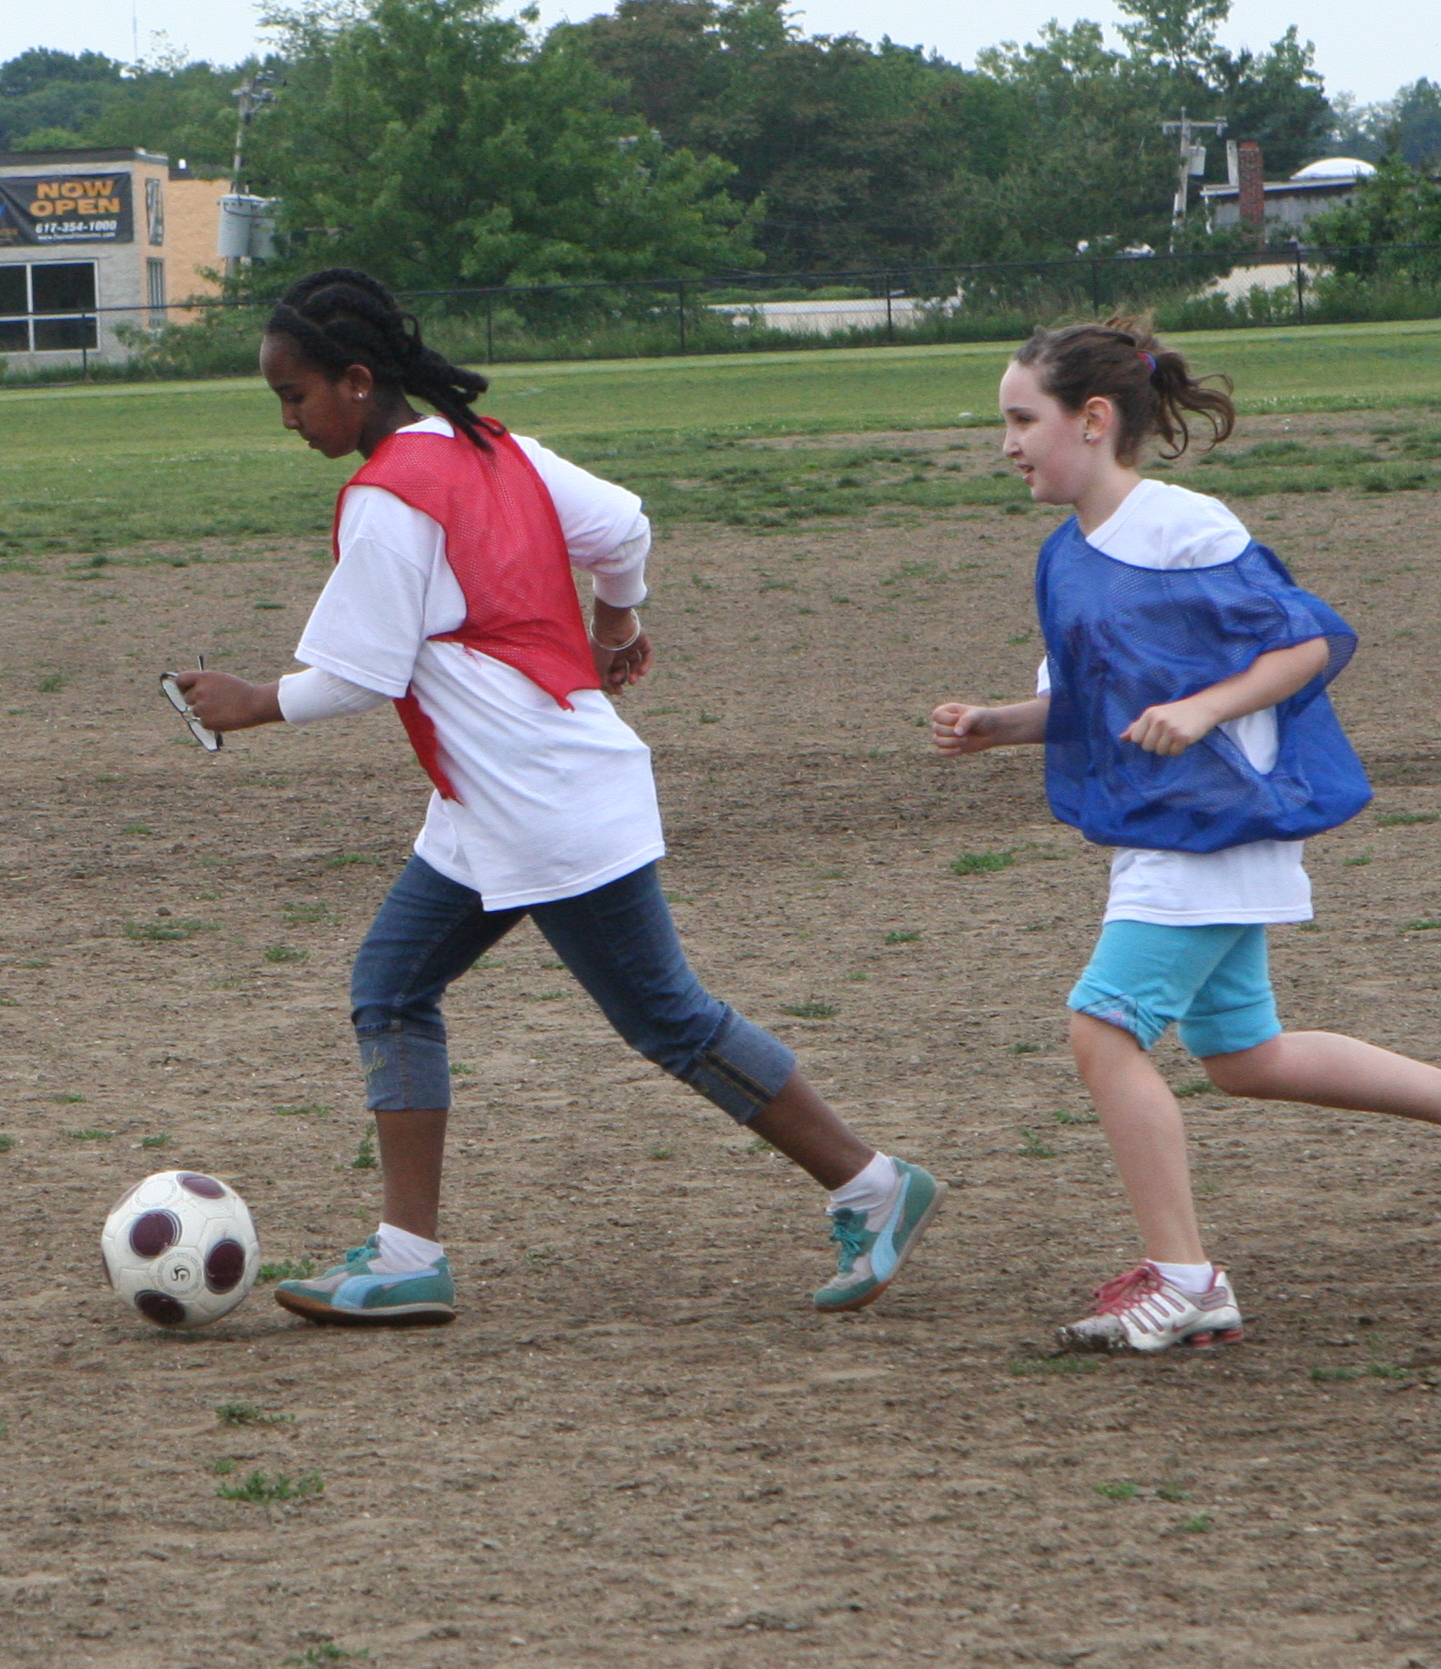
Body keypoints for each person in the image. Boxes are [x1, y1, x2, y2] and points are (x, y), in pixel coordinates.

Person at [172, 269, 940, 1328]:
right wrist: (616, 625)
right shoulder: (494, 448)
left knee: (669, 1021)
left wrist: (251, 702)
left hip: (542, 802)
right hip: (496, 803)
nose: (291, 420)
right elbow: (624, 529)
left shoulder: (387, 498)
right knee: (391, 988)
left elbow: (365, 673)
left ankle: (872, 1185)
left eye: (296, 397)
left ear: (358, 383)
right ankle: (405, 1257)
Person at [926, 320, 1441, 1354]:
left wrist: (1210, 709)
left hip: (1212, 824)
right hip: (1162, 829)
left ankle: (1185, 1279)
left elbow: (1304, 643)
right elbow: (1089, 702)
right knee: (1243, 1056)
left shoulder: (1185, 528)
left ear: (1092, 422)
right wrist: (1000, 724)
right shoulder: (1066, 558)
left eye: (1019, 419)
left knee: (1104, 1032)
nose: (1005, 443)